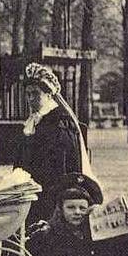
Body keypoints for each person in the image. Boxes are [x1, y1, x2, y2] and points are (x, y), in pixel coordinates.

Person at [15, 63, 83, 225]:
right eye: (28, 94)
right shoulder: (33, 122)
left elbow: (64, 165)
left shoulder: (60, 122)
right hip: (31, 190)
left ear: (48, 95)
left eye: (35, 94)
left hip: (51, 194)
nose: (31, 99)